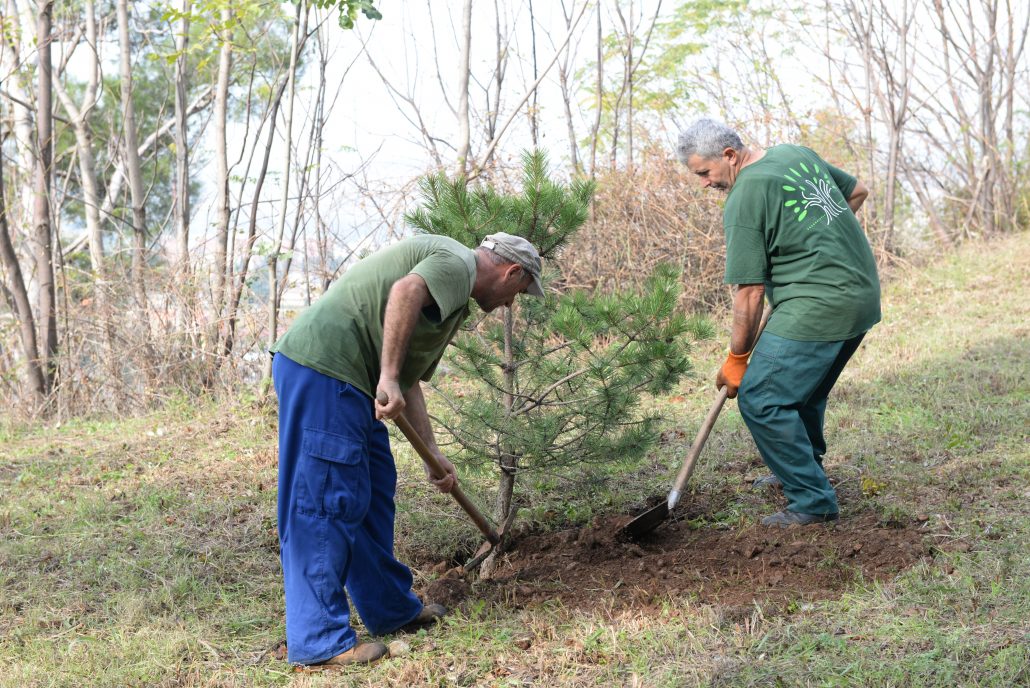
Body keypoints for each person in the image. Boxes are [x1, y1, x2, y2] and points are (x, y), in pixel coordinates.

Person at [270, 232, 544, 668]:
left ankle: (389, 608)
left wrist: (433, 454)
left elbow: (409, 376)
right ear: (511, 271)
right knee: (325, 500)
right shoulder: (458, 263)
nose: (513, 303)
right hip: (323, 368)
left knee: (375, 489)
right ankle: (318, 640)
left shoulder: (452, 300)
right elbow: (404, 291)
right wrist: (389, 376)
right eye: (520, 291)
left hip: (354, 380)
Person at [676, 118, 881, 528]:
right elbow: (855, 193)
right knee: (801, 392)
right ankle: (802, 469)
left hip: (818, 305)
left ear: (729, 156)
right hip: (860, 295)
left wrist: (737, 359)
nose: (703, 183)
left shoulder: (745, 196)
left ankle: (813, 502)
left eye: (704, 172)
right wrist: (813, 244)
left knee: (762, 398)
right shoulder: (794, 154)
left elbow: (749, 293)